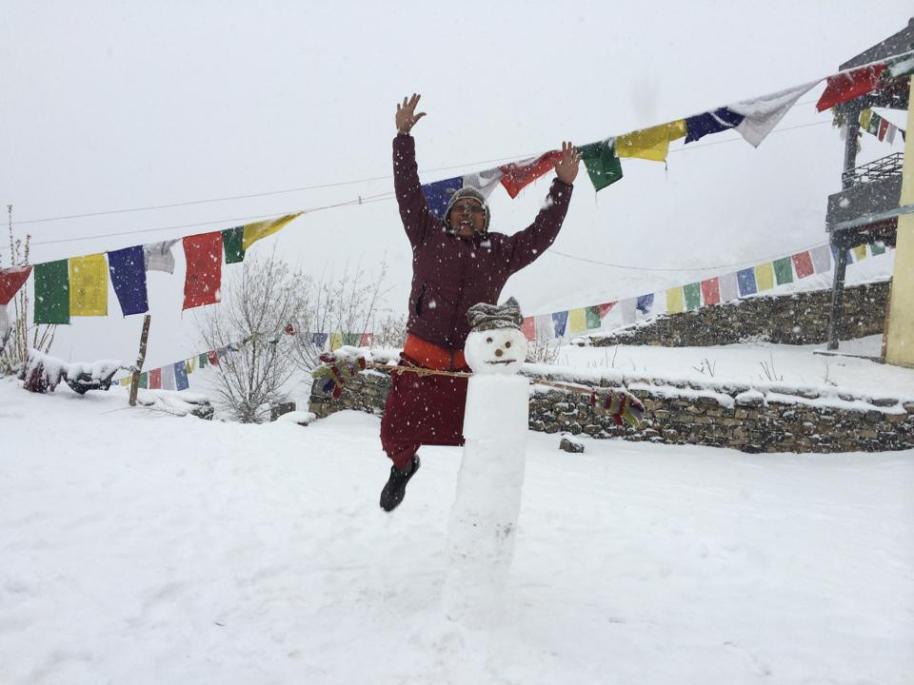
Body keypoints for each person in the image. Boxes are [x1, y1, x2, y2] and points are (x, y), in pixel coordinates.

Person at [379, 93, 580, 512]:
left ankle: (483, 502)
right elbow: (407, 192)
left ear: (486, 220)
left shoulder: (499, 251)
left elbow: (541, 233)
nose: (468, 214)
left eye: (476, 209)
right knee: (396, 432)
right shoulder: (426, 237)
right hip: (421, 363)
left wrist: (562, 185)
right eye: (460, 209)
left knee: (484, 438)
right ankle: (402, 466)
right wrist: (403, 138)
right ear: (448, 216)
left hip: (473, 372)